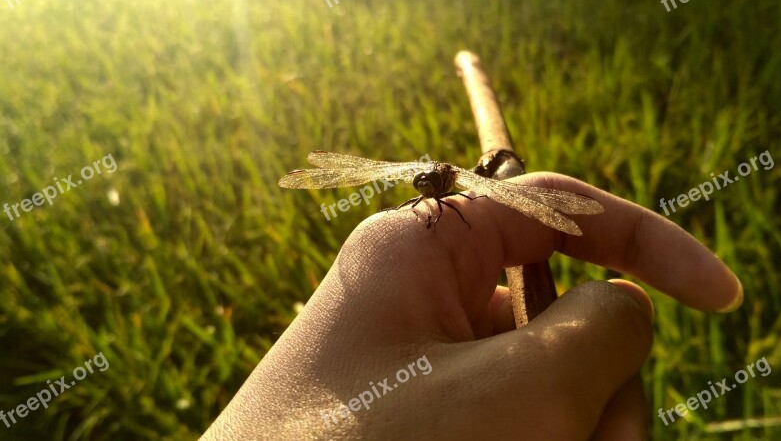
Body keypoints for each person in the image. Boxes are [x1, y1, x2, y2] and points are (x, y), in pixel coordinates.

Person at [201, 172, 743, 440]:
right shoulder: (423, 202)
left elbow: (453, 209)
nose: (423, 188)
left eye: (429, 185)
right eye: (422, 186)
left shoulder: (457, 196)